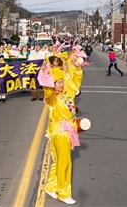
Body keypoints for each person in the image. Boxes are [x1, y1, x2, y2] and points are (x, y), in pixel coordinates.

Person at [44, 67, 79, 205]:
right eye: (57, 82)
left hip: (67, 132)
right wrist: (46, 77)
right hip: (59, 133)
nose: (60, 84)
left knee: (59, 161)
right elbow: (47, 94)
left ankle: (51, 186)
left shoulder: (66, 96)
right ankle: (63, 193)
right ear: (52, 85)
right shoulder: (52, 99)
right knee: (65, 163)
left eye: (61, 82)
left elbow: (75, 82)